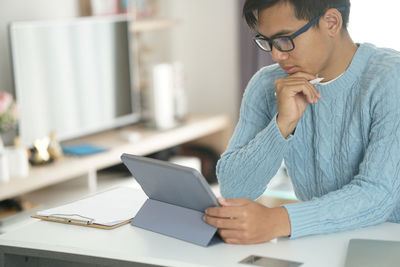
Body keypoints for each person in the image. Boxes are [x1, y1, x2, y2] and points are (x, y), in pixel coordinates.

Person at [203, 0, 400, 244]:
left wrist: (277, 221)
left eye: (285, 39)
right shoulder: (266, 85)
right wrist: (282, 125)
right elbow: (234, 190)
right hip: (318, 241)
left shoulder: (391, 78)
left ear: (331, 22)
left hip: (386, 243)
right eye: (268, 42)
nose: (276, 55)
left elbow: (378, 195)